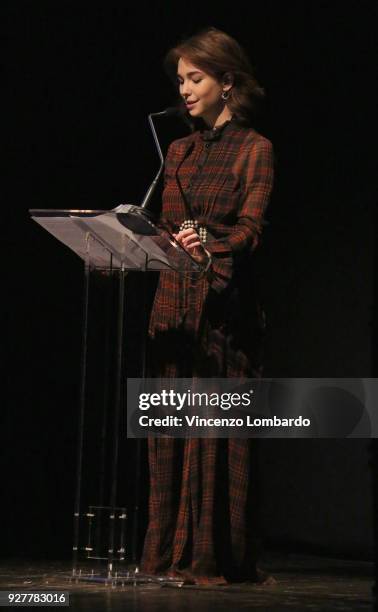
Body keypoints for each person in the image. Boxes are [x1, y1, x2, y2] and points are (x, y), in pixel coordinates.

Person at [140, 27, 275, 586]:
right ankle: (165, 554)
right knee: (170, 432)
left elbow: (252, 231)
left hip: (224, 308)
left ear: (227, 82)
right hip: (173, 305)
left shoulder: (255, 149)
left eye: (195, 79)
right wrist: (147, 234)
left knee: (216, 432)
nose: (186, 90)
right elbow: (166, 225)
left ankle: (213, 557)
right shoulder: (177, 151)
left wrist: (210, 244)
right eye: (180, 81)